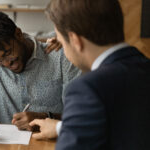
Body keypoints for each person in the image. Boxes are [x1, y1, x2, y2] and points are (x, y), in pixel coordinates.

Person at [30, 0, 150, 149]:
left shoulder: (87, 88)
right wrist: (64, 127)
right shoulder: (143, 66)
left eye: (61, 41)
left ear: (75, 40)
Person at [0, 11, 81, 139]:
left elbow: (79, 114)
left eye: (8, 53)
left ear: (18, 34)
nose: (6, 63)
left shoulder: (60, 57)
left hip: (55, 141)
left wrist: (45, 117)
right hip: (6, 144)